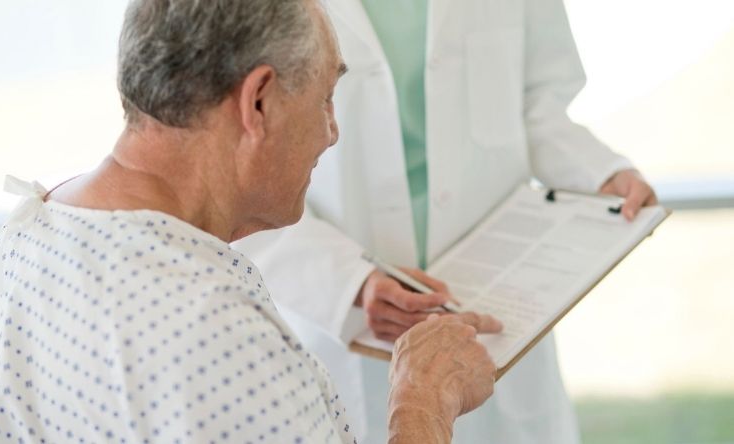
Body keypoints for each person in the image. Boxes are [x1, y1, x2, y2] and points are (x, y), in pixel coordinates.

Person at [0, 0, 504, 442]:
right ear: (257, 101)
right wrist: (422, 404)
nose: (332, 132)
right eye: (325, 98)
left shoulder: (20, 241)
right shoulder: (219, 340)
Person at [234, 0, 658, 443]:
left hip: (498, 315)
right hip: (345, 322)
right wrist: (349, 285)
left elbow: (538, 105)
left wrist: (600, 172)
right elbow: (237, 164)